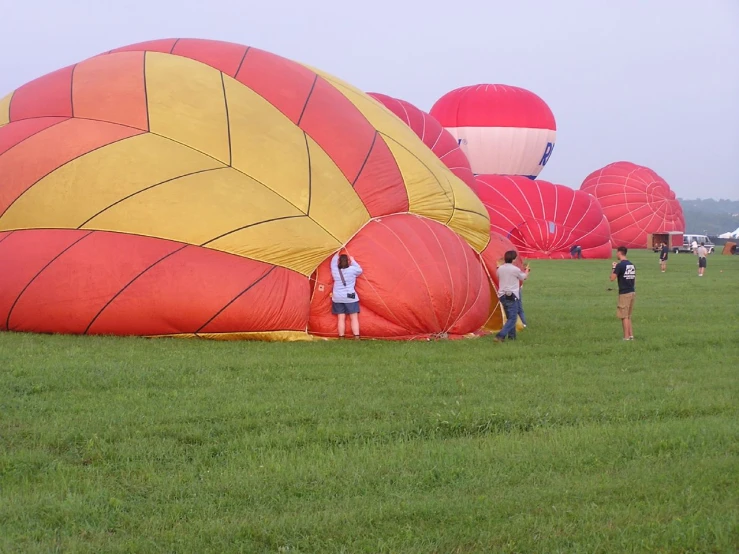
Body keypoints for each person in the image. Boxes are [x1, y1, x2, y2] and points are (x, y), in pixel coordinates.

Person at [494, 251, 530, 342]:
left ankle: (512, 337)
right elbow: (524, 277)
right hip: (512, 295)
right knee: (513, 318)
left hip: (502, 295)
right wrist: (526, 271)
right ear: (514, 259)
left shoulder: (500, 269)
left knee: (509, 317)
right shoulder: (515, 269)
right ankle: (500, 335)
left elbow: (498, 276)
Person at [330, 251, 363, 339]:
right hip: (350, 296)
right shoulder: (352, 269)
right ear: (348, 262)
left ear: (339, 262)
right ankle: (356, 336)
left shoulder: (335, 270)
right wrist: (353, 260)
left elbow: (333, 261)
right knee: (354, 317)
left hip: (337, 297)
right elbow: (360, 270)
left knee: (341, 317)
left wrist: (338, 251)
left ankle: (341, 337)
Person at [610, 246, 636, 340]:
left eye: (616, 252)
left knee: (623, 316)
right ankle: (631, 335)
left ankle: (626, 337)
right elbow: (634, 279)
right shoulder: (631, 265)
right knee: (628, 316)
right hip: (632, 291)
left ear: (619, 253)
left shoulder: (620, 265)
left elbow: (612, 278)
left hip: (624, 293)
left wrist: (613, 268)